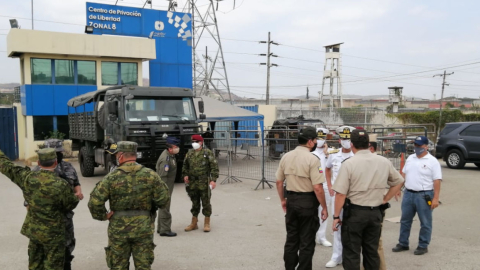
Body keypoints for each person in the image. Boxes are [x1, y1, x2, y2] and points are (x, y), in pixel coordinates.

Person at [88, 141, 170, 269]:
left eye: (116, 155)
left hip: (118, 227)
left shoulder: (111, 177)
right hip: (144, 225)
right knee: (143, 265)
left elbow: (95, 202)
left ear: (120, 155)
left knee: (118, 266)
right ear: (134, 155)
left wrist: (104, 216)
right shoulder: (151, 174)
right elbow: (164, 199)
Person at [332, 129, 404, 270]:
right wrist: (385, 198)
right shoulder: (383, 161)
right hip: (375, 213)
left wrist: (335, 216)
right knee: (371, 252)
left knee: (352, 252)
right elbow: (398, 181)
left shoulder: (349, 163)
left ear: (352, 144)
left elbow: (340, 194)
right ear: (368, 143)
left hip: (355, 213)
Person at [0, 148, 79, 270]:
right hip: (54, 235)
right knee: (53, 266)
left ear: (38, 163)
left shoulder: (27, 178)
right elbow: (70, 204)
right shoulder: (61, 185)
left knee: (35, 265)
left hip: (35, 233)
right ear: (55, 163)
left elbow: (6, 165)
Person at [276, 126, 328, 270]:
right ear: (310, 142)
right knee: (307, 241)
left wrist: (282, 200)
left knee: (292, 238)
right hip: (308, 202)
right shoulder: (313, 159)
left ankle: (290, 267)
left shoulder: (286, 156)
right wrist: (324, 207)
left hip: (291, 200)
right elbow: (317, 188)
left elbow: (279, 182)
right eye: (316, 139)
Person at [31, 139, 83, 270]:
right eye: (55, 153)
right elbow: (29, 202)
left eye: (60, 152)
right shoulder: (36, 172)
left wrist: (78, 192)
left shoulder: (68, 167)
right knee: (43, 255)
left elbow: (76, 183)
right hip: (44, 222)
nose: (59, 155)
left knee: (66, 250)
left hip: (65, 219)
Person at [392, 135, 442, 256]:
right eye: (415, 145)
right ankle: (403, 243)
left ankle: (423, 245)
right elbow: (403, 174)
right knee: (405, 220)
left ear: (426, 146)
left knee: (425, 222)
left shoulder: (432, 161)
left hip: (424, 195)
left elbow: (437, 180)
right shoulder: (410, 158)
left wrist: (435, 198)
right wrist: (398, 189)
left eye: (419, 145)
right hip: (408, 193)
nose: (417, 147)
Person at [324, 126, 355, 268]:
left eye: (348, 139)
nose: (346, 142)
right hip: (338, 197)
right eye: (343, 138)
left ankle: (351, 258)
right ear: (339, 139)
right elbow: (327, 168)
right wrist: (330, 186)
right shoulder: (333, 154)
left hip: (354, 196)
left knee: (354, 228)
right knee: (337, 226)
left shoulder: (357, 155)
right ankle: (336, 257)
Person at [182, 134, 219, 232]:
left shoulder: (207, 153)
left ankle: (207, 223)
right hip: (193, 182)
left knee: (206, 202)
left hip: (204, 182)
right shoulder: (189, 153)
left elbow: (214, 167)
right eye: (193, 142)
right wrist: (185, 175)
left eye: (196, 142)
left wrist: (213, 180)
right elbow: (185, 165)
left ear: (201, 142)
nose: (194, 144)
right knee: (195, 203)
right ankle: (194, 223)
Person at [312, 127, 333, 247]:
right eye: (317, 138)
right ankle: (311, 235)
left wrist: (326, 154)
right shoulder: (309, 152)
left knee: (324, 211)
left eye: (322, 138)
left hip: (325, 185)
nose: (319, 141)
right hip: (312, 185)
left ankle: (321, 236)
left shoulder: (331, 152)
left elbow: (331, 167)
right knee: (311, 211)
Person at [156, 137, 181, 237]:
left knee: (163, 206)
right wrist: (164, 190)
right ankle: (165, 230)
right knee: (165, 207)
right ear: (170, 148)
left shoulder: (170, 155)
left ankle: (160, 227)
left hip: (168, 185)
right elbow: (162, 176)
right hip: (165, 186)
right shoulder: (165, 159)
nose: (177, 148)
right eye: (175, 147)